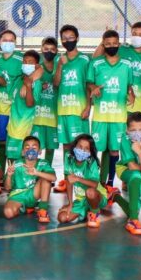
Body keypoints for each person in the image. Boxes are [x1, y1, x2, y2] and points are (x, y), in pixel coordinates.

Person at [86, 29, 135, 195]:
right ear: (103, 45)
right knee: (95, 150)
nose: (111, 46)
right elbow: (89, 83)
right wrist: (93, 88)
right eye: (108, 44)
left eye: (114, 43)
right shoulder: (96, 63)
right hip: (100, 116)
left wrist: (131, 94)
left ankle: (109, 182)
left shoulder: (127, 65)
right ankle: (92, 180)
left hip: (118, 117)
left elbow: (130, 86)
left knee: (114, 150)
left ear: (119, 44)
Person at [53, 24, 91, 193]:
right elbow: (55, 83)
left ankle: (83, 179)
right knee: (67, 147)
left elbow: (89, 85)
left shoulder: (84, 60)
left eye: (71, 38)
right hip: (63, 110)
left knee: (81, 147)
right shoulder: (58, 60)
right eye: (64, 38)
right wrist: (60, 66)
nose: (67, 41)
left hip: (79, 110)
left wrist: (88, 106)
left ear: (77, 38)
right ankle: (67, 178)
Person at [94, 22, 141, 115]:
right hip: (116, 105)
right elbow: (95, 58)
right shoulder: (121, 49)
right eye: (134, 34)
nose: (137, 37)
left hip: (137, 109)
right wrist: (104, 41)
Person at [57, 134, 107, 229]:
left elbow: (94, 184)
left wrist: (78, 178)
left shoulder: (91, 162)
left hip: (97, 196)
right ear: (74, 146)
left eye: (86, 148)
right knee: (62, 218)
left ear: (90, 152)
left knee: (90, 192)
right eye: (80, 147)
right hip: (82, 200)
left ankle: (94, 212)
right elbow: (69, 182)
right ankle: (86, 210)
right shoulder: (68, 157)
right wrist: (70, 204)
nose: (82, 150)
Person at [3, 136, 56, 223]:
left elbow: (53, 178)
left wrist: (37, 173)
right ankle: (25, 207)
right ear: (23, 152)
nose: (30, 150)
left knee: (46, 178)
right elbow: (7, 188)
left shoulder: (43, 163)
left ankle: (43, 210)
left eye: (34, 147)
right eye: (27, 147)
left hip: (34, 193)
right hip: (18, 195)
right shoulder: (16, 164)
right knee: (8, 213)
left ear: (39, 151)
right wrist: (9, 175)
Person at [5, 50, 43, 163]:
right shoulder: (18, 80)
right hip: (12, 126)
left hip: (24, 127)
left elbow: (30, 103)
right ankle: (12, 179)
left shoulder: (36, 83)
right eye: (24, 61)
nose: (26, 64)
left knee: (24, 158)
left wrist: (28, 86)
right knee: (11, 157)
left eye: (30, 62)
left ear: (36, 65)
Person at [0, 29, 24, 170]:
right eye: (4, 40)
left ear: (15, 43)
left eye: (11, 40)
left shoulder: (21, 59)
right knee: (1, 141)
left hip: (16, 108)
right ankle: (0, 173)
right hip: (0, 107)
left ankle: (13, 173)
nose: (7, 43)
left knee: (14, 142)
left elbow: (35, 71)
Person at [31, 37, 59, 166]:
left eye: (52, 49)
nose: (49, 51)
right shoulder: (36, 69)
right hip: (37, 116)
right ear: (41, 49)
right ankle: (34, 172)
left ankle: (47, 170)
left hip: (53, 115)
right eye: (46, 49)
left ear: (56, 51)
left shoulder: (59, 68)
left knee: (50, 147)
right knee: (35, 145)